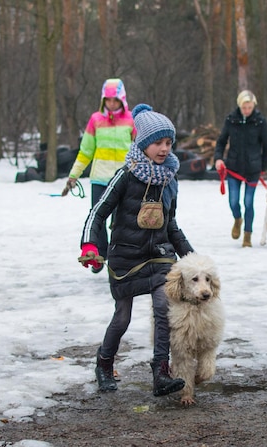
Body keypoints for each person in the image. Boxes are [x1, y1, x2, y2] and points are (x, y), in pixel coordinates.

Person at [78, 103, 193, 396]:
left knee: (163, 307)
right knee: (122, 318)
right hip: (126, 258)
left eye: (168, 142)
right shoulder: (125, 175)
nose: (164, 149)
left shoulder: (170, 179)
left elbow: (172, 224)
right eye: (157, 143)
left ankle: (161, 373)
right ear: (142, 144)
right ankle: (104, 363)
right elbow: (98, 213)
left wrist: (192, 258)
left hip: (159, 256)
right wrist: (91, 245)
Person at [66, 78, 136, 273]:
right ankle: (100, 255)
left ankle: (119, 256)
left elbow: (139, 149)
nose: (111, 104)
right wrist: (74, 175)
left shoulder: (131, 120)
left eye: (115, 100)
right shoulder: (95, 120)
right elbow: (86, 151)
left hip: (123, 179)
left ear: (122, 100)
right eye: (108, 100)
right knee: (98, 217)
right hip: (100, 178)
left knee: (120, 220)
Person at [214, 90, 267, 247]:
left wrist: (263, 166)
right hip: (233, 167)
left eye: (250, 107)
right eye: (244, 107)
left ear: (254, 105)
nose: (247, 110)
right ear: (239, 106)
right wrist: (218, 158)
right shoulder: (231, 120)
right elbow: (221, 141)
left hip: (253, 169)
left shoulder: (260, 122)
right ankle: (237, 219)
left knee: (248, 202)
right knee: (233, 201)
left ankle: (247, 235)